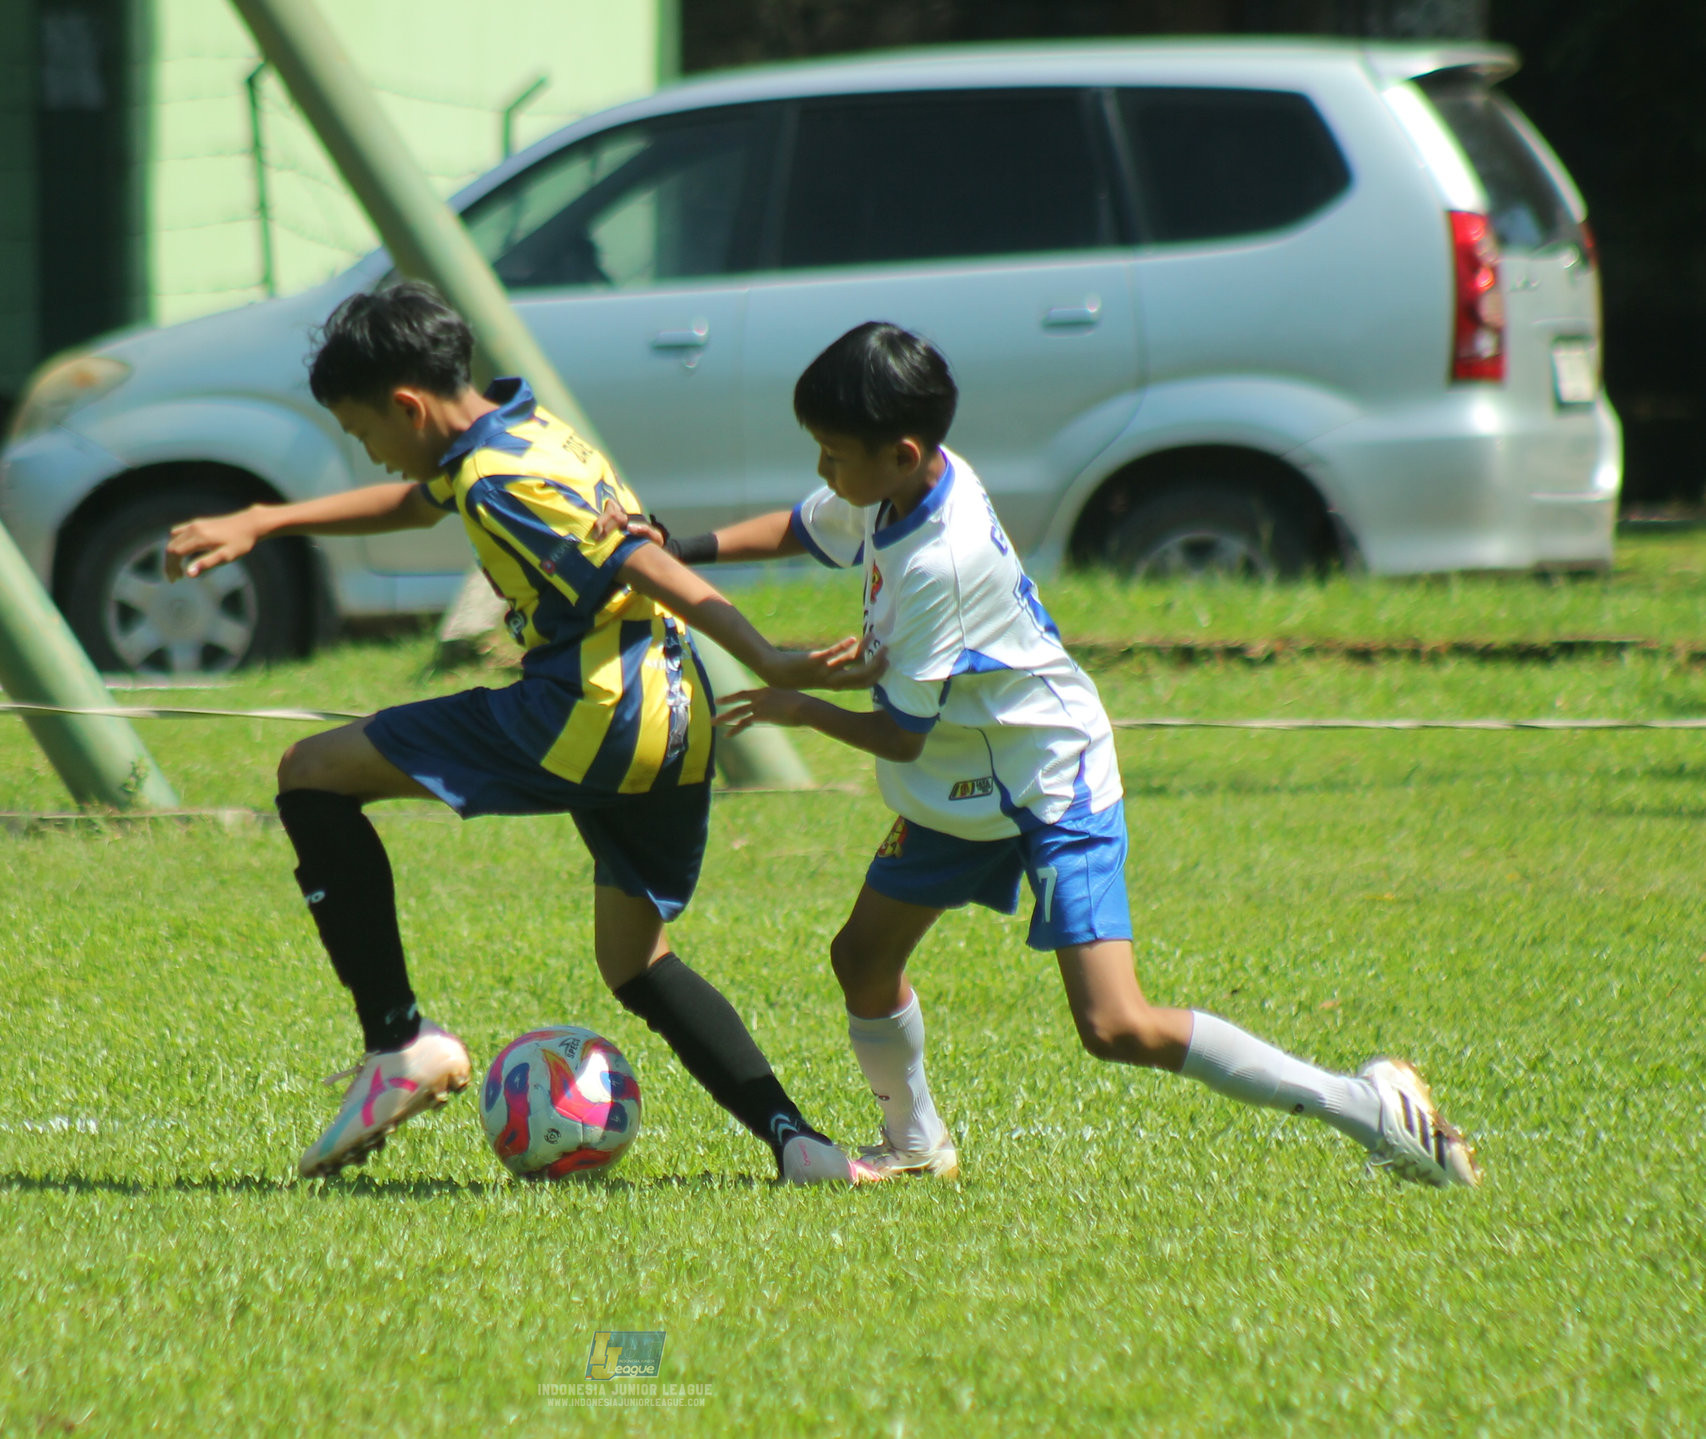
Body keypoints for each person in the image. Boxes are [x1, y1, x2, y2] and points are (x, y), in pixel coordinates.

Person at [645, 321, 1480, 1187]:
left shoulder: (944, 560)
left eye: (832, 452)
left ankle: (1367, 1105)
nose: (822, 470)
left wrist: (801, 708)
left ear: (900, 452)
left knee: (1114, 1023)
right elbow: (805, 527)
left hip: (1050, 778)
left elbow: (900, 732)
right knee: (862, 957)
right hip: (969, 779)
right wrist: (685, 548)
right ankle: (917, 1145)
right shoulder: (900, 483)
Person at [164, 282, 883, 1184]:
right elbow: (423, 500)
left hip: (589, 712)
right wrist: (267, 519)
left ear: (406, 405)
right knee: (634, 961)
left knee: (310, 771)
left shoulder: (498, 478)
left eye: (365, 436)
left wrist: (768, 656)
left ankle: (398, 1040)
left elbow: (639, 557)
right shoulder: (521, 429)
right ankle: (800, 1145)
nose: (375, 456)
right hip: (673, 716)